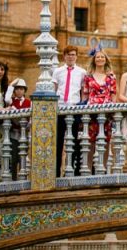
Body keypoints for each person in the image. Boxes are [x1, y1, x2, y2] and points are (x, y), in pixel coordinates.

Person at [52, 45, 85, 176]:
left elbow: (83, 92)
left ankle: (73, 170)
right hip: (60, 109)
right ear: (64, 56)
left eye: (73, 54)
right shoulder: (57, 71)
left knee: (75, 141)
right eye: (68, 54)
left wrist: (82, 110)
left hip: (74, 109)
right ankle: (56, 172)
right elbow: (54, 90)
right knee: (58, 141)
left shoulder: (82, 72)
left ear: (76, 56)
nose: (71, 57)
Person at [81, 49, 117, 169]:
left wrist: (113, 112)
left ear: (106, 60)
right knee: (91, 141)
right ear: (94, 60)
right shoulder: (88, 77)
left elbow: (113, 96)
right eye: (97, 57)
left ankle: (105, 168)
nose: (100, 59)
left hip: (106, 112)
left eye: (102, 57)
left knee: (106, 141)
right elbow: (85, 95)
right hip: (91, 111)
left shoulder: (111, 77)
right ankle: (89, 168)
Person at [8, 78, 30, 178]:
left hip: (24, 134)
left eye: (21, 89)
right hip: (13, 134)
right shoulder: (11, 101)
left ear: (24, 90)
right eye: (17, 89)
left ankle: (23, 179)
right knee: (13, 158)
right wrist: (12, 84)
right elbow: (6, 97)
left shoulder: (29, 102)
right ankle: (13, 180)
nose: (19, 91)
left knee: (23, 158)